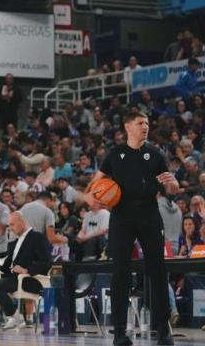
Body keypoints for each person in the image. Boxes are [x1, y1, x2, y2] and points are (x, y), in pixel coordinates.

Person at [87, 111, 179, 346]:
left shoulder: (156, 154)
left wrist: (173, 185)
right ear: (128, 126)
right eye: (140, 123)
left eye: (147, 122)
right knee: (121, 273)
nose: (145, 126)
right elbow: (95, 184)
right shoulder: (115, 154)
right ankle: (119, 331)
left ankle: (163, 330)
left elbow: (172, 188)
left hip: (149, 213)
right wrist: (92, 196)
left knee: (157, 271)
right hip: (121, 216)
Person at [0, 212, 51, 329]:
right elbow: (7, 266)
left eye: (13, 225)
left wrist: (26, 270)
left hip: (27, 279)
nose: (11, 228)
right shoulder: (14, 242)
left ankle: (15, 316)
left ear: (22, 222)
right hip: (12, 276)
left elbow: (46, 263)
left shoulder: (37, 237)